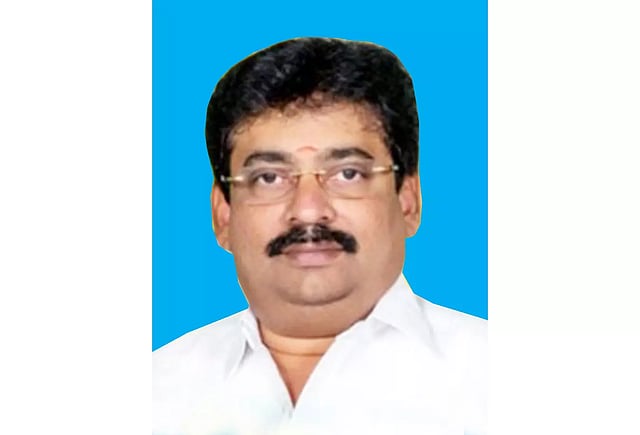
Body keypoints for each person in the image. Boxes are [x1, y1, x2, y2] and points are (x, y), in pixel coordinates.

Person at [153, 37, 487, 435]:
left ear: (408, 201)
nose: (309, 210)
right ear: (222, 214)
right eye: (269, 178)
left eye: (348, 173)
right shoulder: (153, 393)